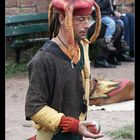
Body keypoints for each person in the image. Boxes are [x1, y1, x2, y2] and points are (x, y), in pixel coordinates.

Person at [25, 0, 104, 140]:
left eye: (88, 18)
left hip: (77, 134)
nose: (87, 25)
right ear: (62, 18)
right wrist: (72, 124)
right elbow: (34, 108)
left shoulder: (82, 46)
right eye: (80, 19)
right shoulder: (43, 60)